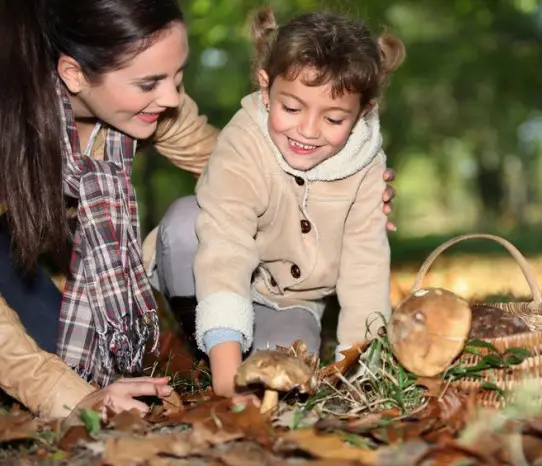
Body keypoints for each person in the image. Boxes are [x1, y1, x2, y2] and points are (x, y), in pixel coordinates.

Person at [0, 0, 399, 419]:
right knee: (52, 382)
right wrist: (62, 393)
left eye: (178, 75)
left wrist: (334, 189)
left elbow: (233, 171)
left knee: (68, 356)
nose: (172, 97)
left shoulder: (156, 106)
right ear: (74, 74)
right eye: (150, 82)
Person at [154, 7, 405, 397]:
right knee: (186, 222)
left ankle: (255, 345)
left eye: (334, 119)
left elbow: (365, 268)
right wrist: (226, 380)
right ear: (265, 87)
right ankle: (215, 345)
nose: (307, 131)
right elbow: (225, 244)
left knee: (285, 376)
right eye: (291, 108)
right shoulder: (243, 141)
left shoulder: (367, 168)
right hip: (213, 269)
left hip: (292, 301)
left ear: (363, 113)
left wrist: (361, 371)